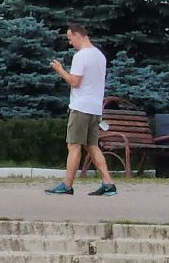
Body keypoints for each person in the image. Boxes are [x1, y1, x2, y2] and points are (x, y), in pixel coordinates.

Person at [46, 24, 117, 197]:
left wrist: (60, 70)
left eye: (70, 39)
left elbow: (75, 82)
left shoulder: (81, 56)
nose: (70, 43)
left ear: (79, 36)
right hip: (95, 108)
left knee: (74, 146)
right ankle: (108, 183)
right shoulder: (99, 56)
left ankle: (67, 185)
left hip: (80, 107)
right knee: (92, 146)